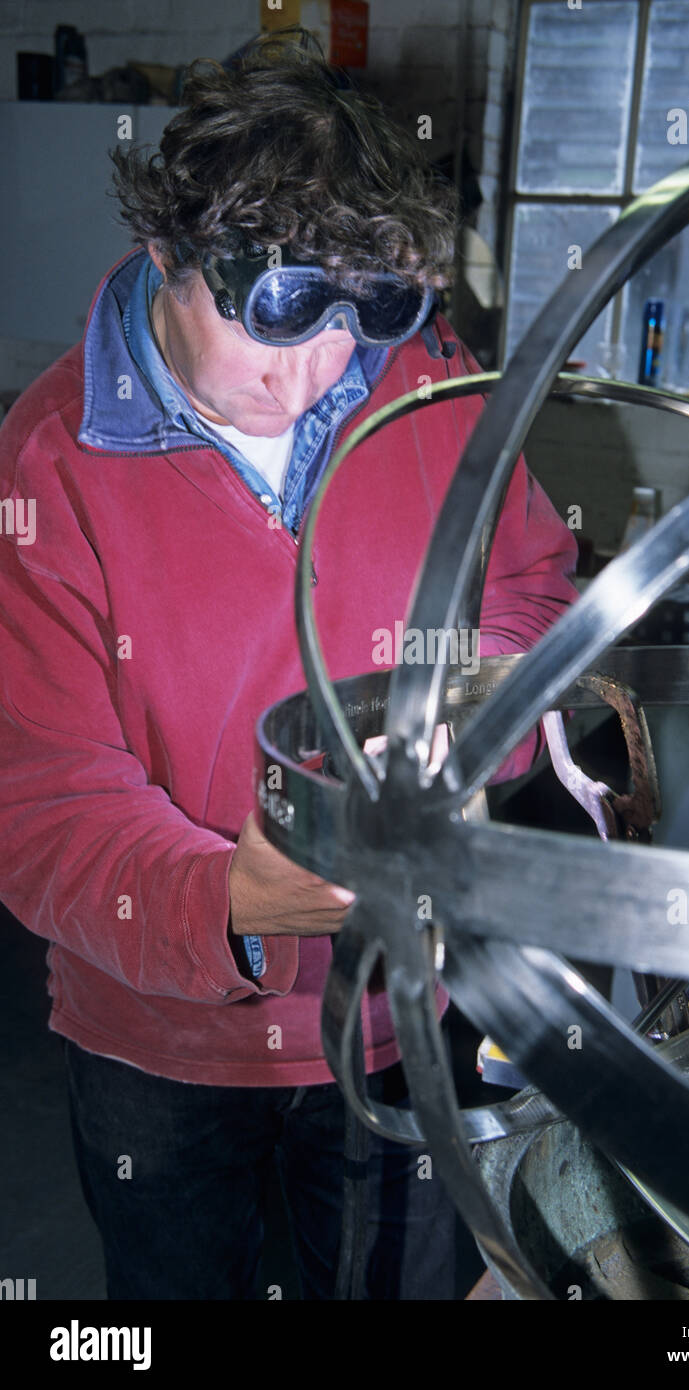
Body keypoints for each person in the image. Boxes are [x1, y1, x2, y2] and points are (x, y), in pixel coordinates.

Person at [0, 40, 578, 1300]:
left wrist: (468, 710)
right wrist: (232, 902)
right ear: (169, 257)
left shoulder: (431, 391)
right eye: (275, 312)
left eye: (364, 311)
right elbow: (42, 809)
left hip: (399, 1018)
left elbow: (533, 588)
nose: (318, 370)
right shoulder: (43, 470)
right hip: (163, 1048)